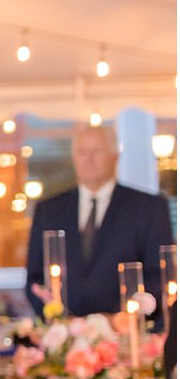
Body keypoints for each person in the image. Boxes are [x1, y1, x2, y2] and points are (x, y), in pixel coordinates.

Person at [24, 123, 172, 321]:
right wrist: (57, 317)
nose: (88, 159)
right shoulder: (49, 210)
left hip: (128, 332)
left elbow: (160, 274)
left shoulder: (148, 207)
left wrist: (129, 315)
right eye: (82, 152)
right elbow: (35, 278)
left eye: (97, 151)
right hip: (66, 335)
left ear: (115, 156)